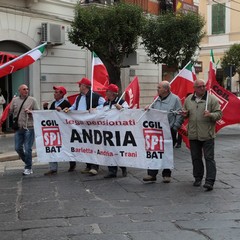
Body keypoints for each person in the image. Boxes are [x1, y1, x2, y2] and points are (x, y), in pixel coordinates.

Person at [181, 79, 222, 191]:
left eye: (203, 86)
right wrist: (184, 114)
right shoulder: (189, 99)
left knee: (209, 158)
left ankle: (210, 181)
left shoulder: (212, 99)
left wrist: (210, 115)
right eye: (199, 86)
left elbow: (219, 114)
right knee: (196, 157)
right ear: (194, 88)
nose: (202, 88)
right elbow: (185, 114)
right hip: (193, 134)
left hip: (207, 134)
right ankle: (198, 177)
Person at [143, 81, 183, 183]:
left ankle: (166, 174)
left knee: (167, 153)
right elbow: (152, 111)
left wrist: (175, 127)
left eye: (159, 88)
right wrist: (148, 108)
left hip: (169, 130)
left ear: (166, 89)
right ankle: (151, 174)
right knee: (154, 152)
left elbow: (180, 114)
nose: (157, 90)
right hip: (156, 131)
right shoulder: (156, 99)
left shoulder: (175, 99)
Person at [64, 77, 105, 175]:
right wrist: (68, 109)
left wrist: (96, 108)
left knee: (93, 145)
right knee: (85, 145)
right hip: (81, 125)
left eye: (80, 85)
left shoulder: (95, 96)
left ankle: (95, 166)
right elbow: (74, 106)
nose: (78, 86)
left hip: (92, 125)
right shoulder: (78, 97)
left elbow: (105, 104)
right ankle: (88, 165)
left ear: (84, 86)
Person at [43, 86, 75, 175]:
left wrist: (62, 111)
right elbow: (49, 116)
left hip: (64, 130)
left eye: (57, 92)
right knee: (52, 147)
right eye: (55, 92)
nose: (55, 94)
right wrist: (45, 108)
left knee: (67, 147)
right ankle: (53, 168)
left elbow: (71, 114)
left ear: (62, 94)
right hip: (54, 130)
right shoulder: (53, 103)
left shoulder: (66, 103)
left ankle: (72, 163)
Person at [9, 84, 39, 175]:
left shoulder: (32, 100)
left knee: (28, 148)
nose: (26, 90)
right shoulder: (14, 100)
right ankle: (28, 161)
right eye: (24, 89)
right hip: (19, 128)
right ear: (20, 91)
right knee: (17, 148)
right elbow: (10, 111)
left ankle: (28, 168)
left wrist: (31, 112)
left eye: (27, 89)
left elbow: (38, 113)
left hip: (29, 127)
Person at [102, 84, 129, 178]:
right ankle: (112, 171)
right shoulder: (105, 103)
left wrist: (121, 109)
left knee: (118, 150)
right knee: (109, 150)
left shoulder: (121, 102)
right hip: (108, 131)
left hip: (118, 132)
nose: (106, 93)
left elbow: (129, 113)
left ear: (112, 93)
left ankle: (123, 167)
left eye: (107, 91)